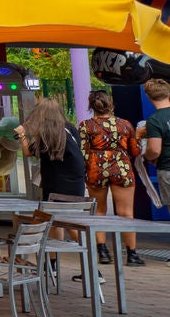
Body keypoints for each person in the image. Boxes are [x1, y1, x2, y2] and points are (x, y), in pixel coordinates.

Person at [80, 90, 145, 267]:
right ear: (111, 105)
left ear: (91, 106)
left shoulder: (86, 126)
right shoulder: (125, 125)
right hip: (121, 168)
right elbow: (135, 151)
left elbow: (83, 153)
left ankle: (103, 251)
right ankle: (132, 254)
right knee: (126, 213)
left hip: (96, 170)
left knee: (99, 211)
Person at [22, 98, 85, 200]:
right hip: (77, 185)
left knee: (52, 213)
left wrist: (22, 135)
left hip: (55, 186)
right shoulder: (70, 128)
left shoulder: (47, 134)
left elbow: (28, 152)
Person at [140, 78, 170, 217]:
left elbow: (155, 150)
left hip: (167, 168)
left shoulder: (154, 120)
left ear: (148, 96)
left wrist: (146, 156)